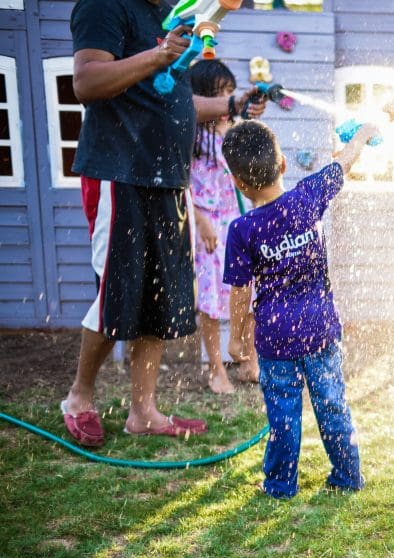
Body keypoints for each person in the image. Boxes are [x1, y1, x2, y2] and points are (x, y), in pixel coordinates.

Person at [60, 0, 266, 446]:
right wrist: (158, 54)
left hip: (168, 178)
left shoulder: (169, 13)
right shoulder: (105, 6)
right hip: (121, 172)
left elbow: (173, 96)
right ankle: (79, 398)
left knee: (158, 296)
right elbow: (86, 80)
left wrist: (231, 104)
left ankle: (144, 411)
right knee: (118, 289)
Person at [220, 119, 379, 499]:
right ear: (283, 165)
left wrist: (237, 341)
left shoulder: (243, 229)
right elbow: (345, 163)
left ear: (239, 183)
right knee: (332, 405)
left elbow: (241, 294)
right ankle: (346, 475)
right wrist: (364, 133)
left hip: (275, 337)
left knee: (284, 415)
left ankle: (279, 485)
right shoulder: (308, 196)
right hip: (320, 327)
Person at [190, 59, 259, 394]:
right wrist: (201, 221)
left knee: (248, 292)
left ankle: (249, 359)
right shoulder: (192, 136)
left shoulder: (234, 129)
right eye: (221, 94)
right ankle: (216, 368)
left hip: (238, 220)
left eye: (231, 92)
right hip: (209, 227)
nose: (228, 100)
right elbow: (182, 183)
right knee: (211, 298)